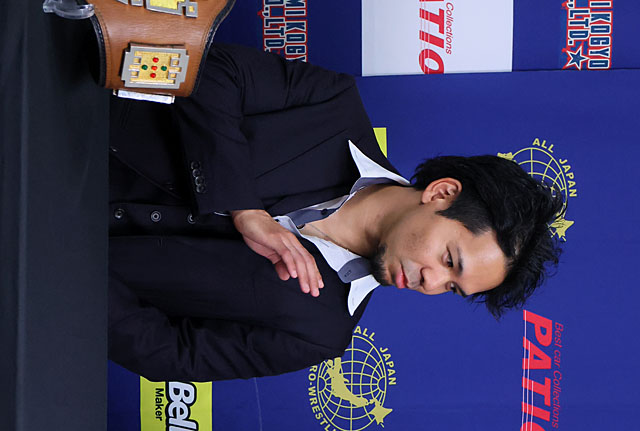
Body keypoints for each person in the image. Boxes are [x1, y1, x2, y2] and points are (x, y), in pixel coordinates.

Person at [109, 43, 563, 382]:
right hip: (77, 143)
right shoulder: (330, 106)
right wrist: (245, 208)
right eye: (449, 260)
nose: (431, 283)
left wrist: (80, 280)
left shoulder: (321, 333)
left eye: (451, 288)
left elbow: (170, 354)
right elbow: (208, 71)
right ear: (442, 193)